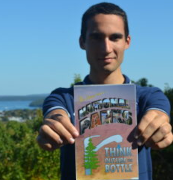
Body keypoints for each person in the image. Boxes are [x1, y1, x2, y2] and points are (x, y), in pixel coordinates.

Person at [37, 2, 173, 180]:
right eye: (96, 37)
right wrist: (53, 126)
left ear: (127, 42)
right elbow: (56, 113)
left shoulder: (149, 96)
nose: (106, 48)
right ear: (82, 42)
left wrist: (160, 126)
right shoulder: (63, 98)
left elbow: (158, 113)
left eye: (115, 37)